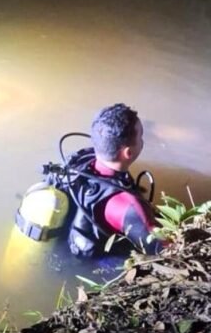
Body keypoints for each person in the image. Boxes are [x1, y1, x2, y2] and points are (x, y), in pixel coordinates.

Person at [63, 103, 167, 259]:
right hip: (97, 262)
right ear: (128, 153)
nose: (143, 141)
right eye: (141, 137)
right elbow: (163, 250)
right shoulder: (129, 207)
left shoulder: (78, 162)